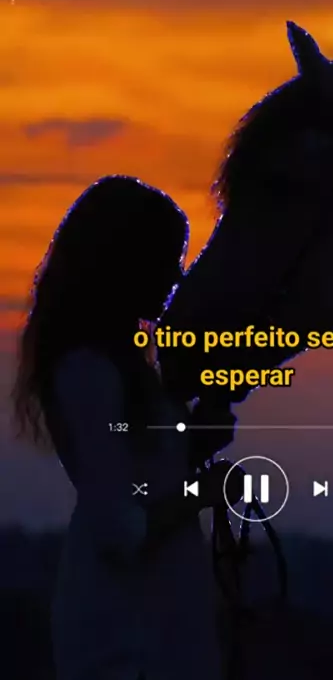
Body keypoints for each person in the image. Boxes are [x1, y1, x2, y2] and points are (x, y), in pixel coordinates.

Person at [10, 175, 243, 680]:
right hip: (125, 638)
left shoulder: (121, 367)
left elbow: (143, 478)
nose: (177, 276)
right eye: (167, 260)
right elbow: (120, 530)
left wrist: (195, 443)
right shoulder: (88, 371)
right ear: (125, 263)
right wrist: (203, 493)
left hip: (153, 628)